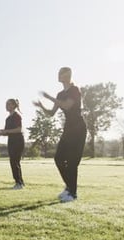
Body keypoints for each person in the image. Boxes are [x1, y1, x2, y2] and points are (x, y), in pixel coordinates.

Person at [33, 67, 87, 202]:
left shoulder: (75, 90)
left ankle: (72, 193)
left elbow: (67, 106)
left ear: (67, 75)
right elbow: (51, 114)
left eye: (60, 73)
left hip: (79, 128)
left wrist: (48, 97)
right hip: (68, 128)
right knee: (58, 158)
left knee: (72, 161)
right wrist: (41, 106)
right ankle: (69, 187)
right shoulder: (59, 94)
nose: (58, 75)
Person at [0, 99, 25, 189]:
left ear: (13, 105)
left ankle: (19, 183)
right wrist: (1, 133)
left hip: (18, 140)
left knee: (14, 161)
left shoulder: (17, 116)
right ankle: (20, 182)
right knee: (14, 161)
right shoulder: (8, 118)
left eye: (8, 104)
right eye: (6, 104)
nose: (6, 106)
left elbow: (19, 129)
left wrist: (6, 131)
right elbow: (8, 132)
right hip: (11, 141)